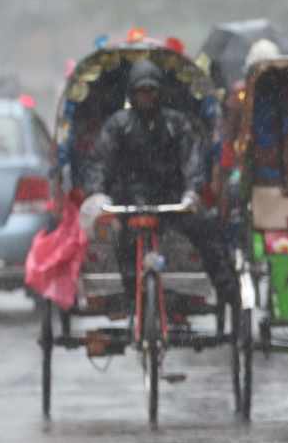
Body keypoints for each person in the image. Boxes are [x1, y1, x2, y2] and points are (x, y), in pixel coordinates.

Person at [86, 60, 234, 317]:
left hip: (171, 199)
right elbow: (100, 161)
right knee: (121, 243)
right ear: (132, 93)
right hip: (129, 200)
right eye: (141, 91)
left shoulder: (176, 124)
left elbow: (191, 160)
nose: (147, 97)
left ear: (160, 92)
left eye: (151, 91)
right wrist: (98, 194)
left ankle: (228, 292)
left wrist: (191, 192)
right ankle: (131, 296)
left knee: (207, 231)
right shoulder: (118, 125)